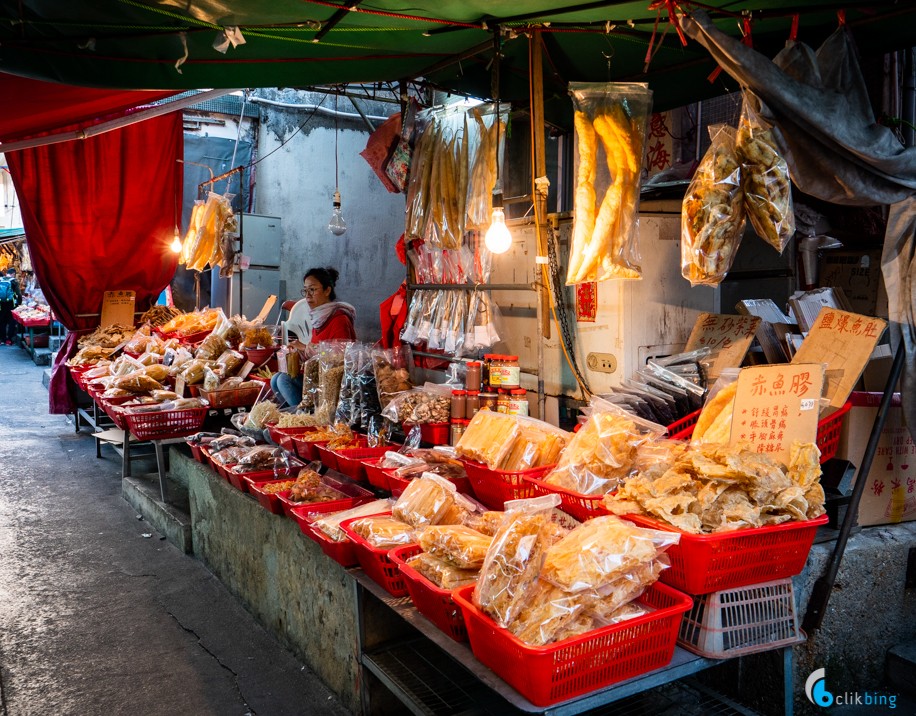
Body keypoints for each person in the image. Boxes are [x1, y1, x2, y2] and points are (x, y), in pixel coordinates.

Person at [270, 266, 357, 407]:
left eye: (313, 289)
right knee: (276, 378)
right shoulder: (320, 317)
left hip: (332, 384)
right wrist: (297, 352)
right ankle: (288, 420)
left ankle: (303, 418)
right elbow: (317, 354)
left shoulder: (339, 319)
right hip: (318, 376)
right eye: (305, 290)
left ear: (327, 290)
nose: (307, 295)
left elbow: (339, 357)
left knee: (283, 380)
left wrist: (305, 347)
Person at [0, 267, 21, 346]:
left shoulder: (1, 280)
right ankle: (9, 340)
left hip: (1, 304)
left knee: (1, 321)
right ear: (13, 274)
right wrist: (19, 303)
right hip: (11, 304)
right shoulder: (14, 281)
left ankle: (2, 339)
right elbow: (18, 294)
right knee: (11, 321)